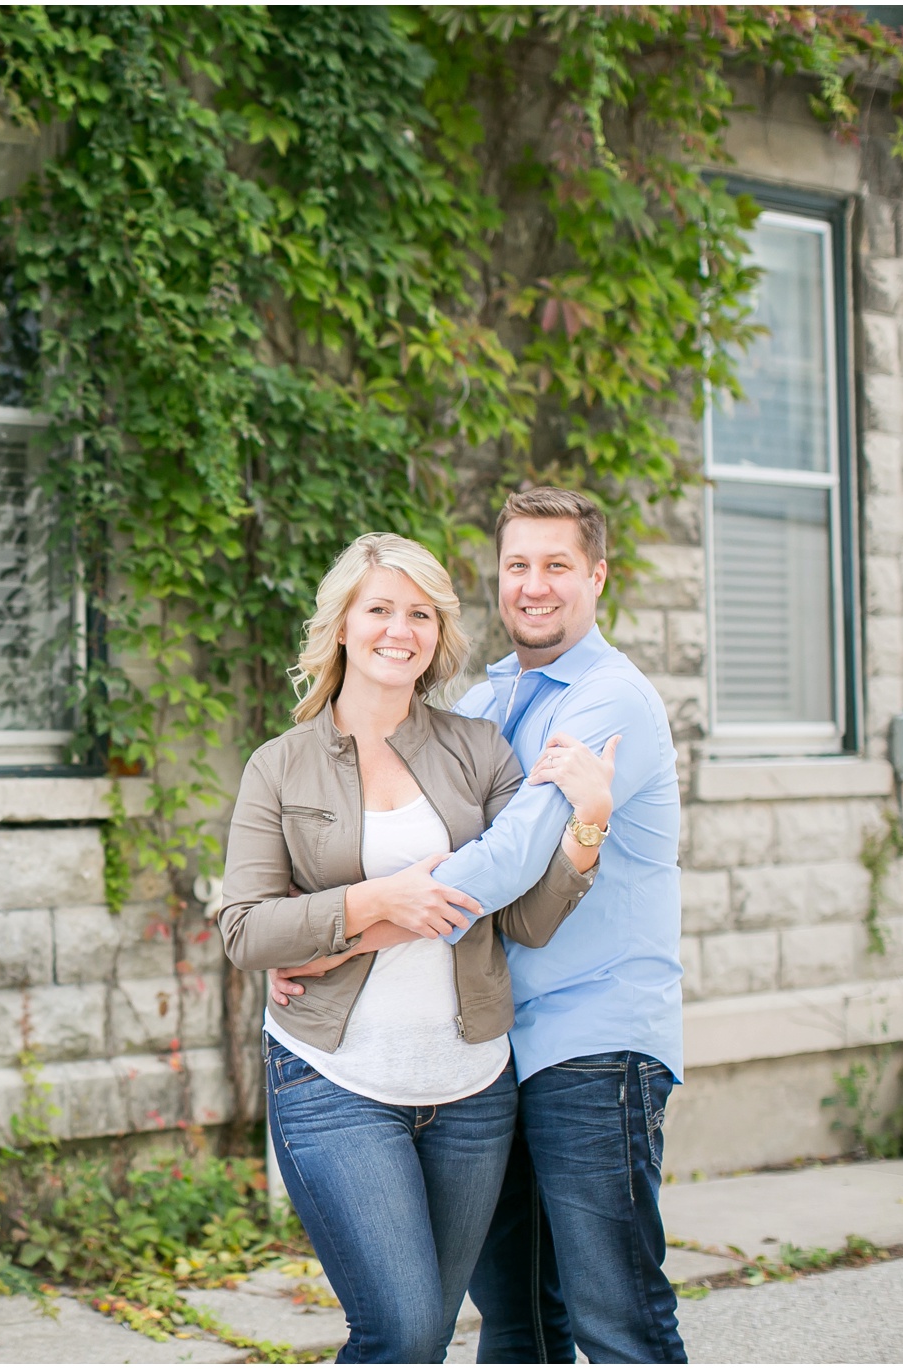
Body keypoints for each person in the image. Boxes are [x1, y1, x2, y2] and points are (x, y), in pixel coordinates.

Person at [275, 488, 687, 1363]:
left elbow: (507, 862)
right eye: (517, 565)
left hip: (592, 1043)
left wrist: (343, 940)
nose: (534, 586)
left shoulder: (610, 699)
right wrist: (317, 924)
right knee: (520, 1325)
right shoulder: (494, 699)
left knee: (618, 1319)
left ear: (598, 576)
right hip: (495, 1058)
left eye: (558, 565)